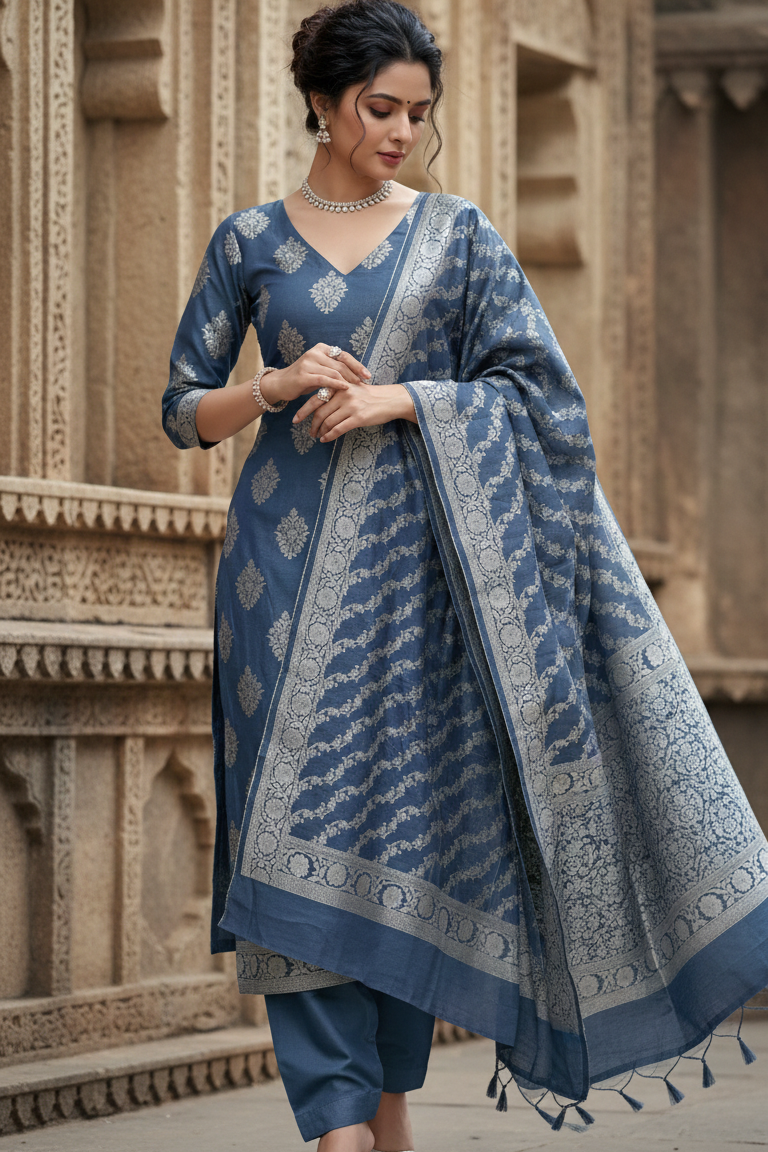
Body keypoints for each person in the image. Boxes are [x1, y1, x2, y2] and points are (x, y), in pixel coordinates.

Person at [161, 1, 768, 1148]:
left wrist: (408, 397)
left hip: (423, 595)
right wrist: (274, 389)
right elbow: (180, 408)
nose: (400, 131)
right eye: (380, 109)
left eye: (418, 113)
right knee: (288, 835)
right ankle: (337, 1123)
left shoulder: (462, 238)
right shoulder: (247, 242)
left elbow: (547, 405)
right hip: (274, 592)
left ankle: (384, 1118)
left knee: (397, 841)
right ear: (324, 104)